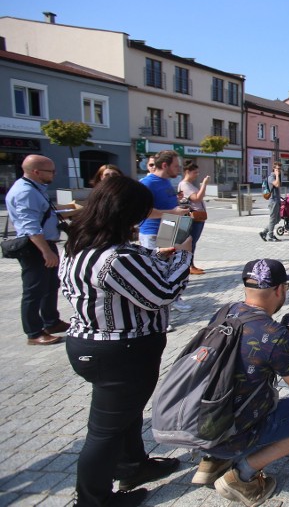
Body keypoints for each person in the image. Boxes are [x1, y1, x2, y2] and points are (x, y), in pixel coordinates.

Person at [60, 176, 192, 506]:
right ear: (126, 213)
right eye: (141, 212)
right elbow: (162, 293)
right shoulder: (115, 257)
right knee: (103, 433)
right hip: (121, 351)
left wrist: (161, 253)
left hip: (95, 344)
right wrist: (182, 255)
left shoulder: (81, 246)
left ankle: (133, 465)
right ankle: (92, 500)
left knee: (127, 414)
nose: (144, 218)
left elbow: (137, 273)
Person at [191, 259, 289, 507]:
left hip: (202, 424)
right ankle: (242, 475)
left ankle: (210, 462)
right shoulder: (273, 334)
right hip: (235, 433)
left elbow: (248, 348)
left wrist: (285, 340)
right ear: (279, 290)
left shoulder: (224, 312)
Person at [5, 155, 80, 345]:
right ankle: (34, 332)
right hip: (35, 246)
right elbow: (30, 226)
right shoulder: (25, 192)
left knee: (50, 286)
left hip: (46, 243)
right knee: (34, 290)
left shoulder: (35, 189)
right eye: (51, 171)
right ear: (36, 172)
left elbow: (47, 213)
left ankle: (51, 322)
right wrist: (45, 251)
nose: (54, 174)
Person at [138, 150, 191, 312]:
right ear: (164, 165)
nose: (179, 169)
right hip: (153, 232)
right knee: (156, 271)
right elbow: (145, 211)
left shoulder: (167, 182)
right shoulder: (147, 183)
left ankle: (173, 298)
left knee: (171, 267)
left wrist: (179, 206)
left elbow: (167, 205)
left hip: (170, 227)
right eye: (176, 166)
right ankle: (157, 307)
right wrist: (174, 212)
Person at [178, 160, 210, 275]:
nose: (197, 174)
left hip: (197, 218)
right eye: (195, 172)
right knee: (191, 242)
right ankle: (189, 266)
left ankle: (191, 265)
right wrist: (204, 184)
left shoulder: (189, 185)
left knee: (193, 242)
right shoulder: (185, 185)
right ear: (188, 172)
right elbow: (197, 198)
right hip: (194, 218)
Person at [259, 162, 282, 243]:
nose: (279, 170)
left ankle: (264, 232)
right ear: (274, 169)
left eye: (280, 169)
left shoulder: (277, 176)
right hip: (273, 200)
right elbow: (277, 185)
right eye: (277, 169)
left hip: (277, 200)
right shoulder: (271, 177)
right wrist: (276, 175)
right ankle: (270, 236)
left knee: (278, 218)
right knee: (272, 219)